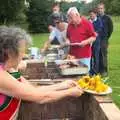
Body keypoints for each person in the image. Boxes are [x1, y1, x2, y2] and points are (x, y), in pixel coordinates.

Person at [0, 26, 83, 119]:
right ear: (10, 52)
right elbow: (40, 97)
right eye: (22, 51)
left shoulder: (10, 70)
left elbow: (33, 89)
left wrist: (63, 85)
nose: (24, 55)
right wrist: (69, 92)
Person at [97, 3, 113, 77]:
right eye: (99, 8)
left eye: (101, 8)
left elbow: (110, 29)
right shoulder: (95, 17)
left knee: (103, 55)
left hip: (104, 39)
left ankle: (104, 71)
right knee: (97, 55)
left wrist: (106, 37)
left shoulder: (108, 18)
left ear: (104, 9)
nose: (100, 10)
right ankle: (98, 70)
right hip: (96, 39)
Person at [89, 9, 103, 75]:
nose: (91, 16)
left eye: (92, 15)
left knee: (96, 56)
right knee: (90, 57)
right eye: (90, 15)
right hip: (89, 42)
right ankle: (91, 71)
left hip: (96, 42)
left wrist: (94, 33)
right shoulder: (89, 21)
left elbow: (99, 29)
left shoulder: (99, 21)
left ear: (95, 14)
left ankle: (96, 71)